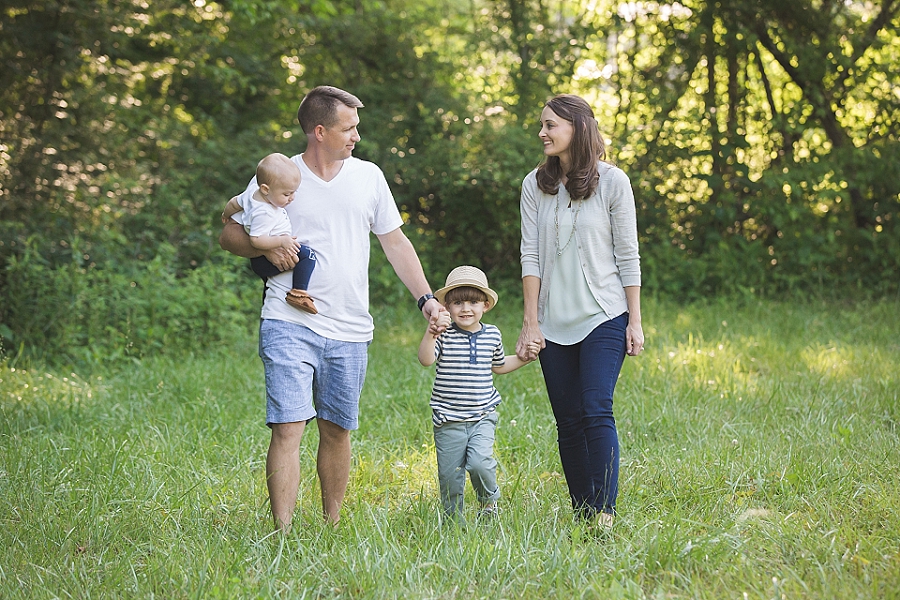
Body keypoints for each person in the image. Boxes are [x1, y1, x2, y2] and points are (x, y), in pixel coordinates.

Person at [219, 85, 446, 531]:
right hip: (287, 318)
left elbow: (395, 242)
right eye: (349, 128)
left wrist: (426, 299)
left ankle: (331, 524)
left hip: (349, 325)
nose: (356, 135)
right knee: (287, 426)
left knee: (336, 429)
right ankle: (283, 530)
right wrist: (265, 245)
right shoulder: (280, 175)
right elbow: (228, 234)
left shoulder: (368, 177)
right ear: (319, 131)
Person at [515, 94, 644, 531]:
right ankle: (583, 512)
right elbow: (529, 256)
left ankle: (604, 514)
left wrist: (635, 320)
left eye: (550, 125)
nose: (543, 133)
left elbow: (628, 254)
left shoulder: (613, 182)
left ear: (577, 128)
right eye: (542, 125)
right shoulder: (535, 184)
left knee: (596, 408)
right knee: (567, 420)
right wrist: (531, 323)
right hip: (553, 320)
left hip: (605, 314)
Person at [418, 265, 540, 519]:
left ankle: (488, 504)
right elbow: (426, 360)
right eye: (458, 303)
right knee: (450, 475)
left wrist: (526, 359)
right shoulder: (444, 334)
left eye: (473, 302)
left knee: (479, 463)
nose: (465, 309)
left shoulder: (492, 334)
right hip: (448, 419)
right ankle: (453, 521)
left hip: (482, 416)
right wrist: (431, 334)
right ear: (448, 307)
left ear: (485, 305)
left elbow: (499, 365)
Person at [221, 152, 318, 314]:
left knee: (299, 257)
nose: (292, 198)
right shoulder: (264, 211)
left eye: (294, 192)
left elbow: (233, 202)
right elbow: (256, 240)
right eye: (287, 194)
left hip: (264, 260)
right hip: (266, 265)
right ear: (266, 189)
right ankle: (298, 293)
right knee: (307, 256)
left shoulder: (253, 193)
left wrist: (225, 214)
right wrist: (280, 243)